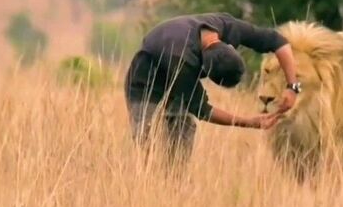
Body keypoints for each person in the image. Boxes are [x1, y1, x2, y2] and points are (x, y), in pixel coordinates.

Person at [124, 12, 302, 165]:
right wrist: (249, 122)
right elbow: (203, 110)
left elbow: (278, 42)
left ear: (231, 46)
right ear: (203, 70)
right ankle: (148, 185)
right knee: (146, 141)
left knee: (181, 137)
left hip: (176, 62)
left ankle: (175, 185)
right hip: (145, 82)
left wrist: (292, 86)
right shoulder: (183, 62)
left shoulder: (229, 27)